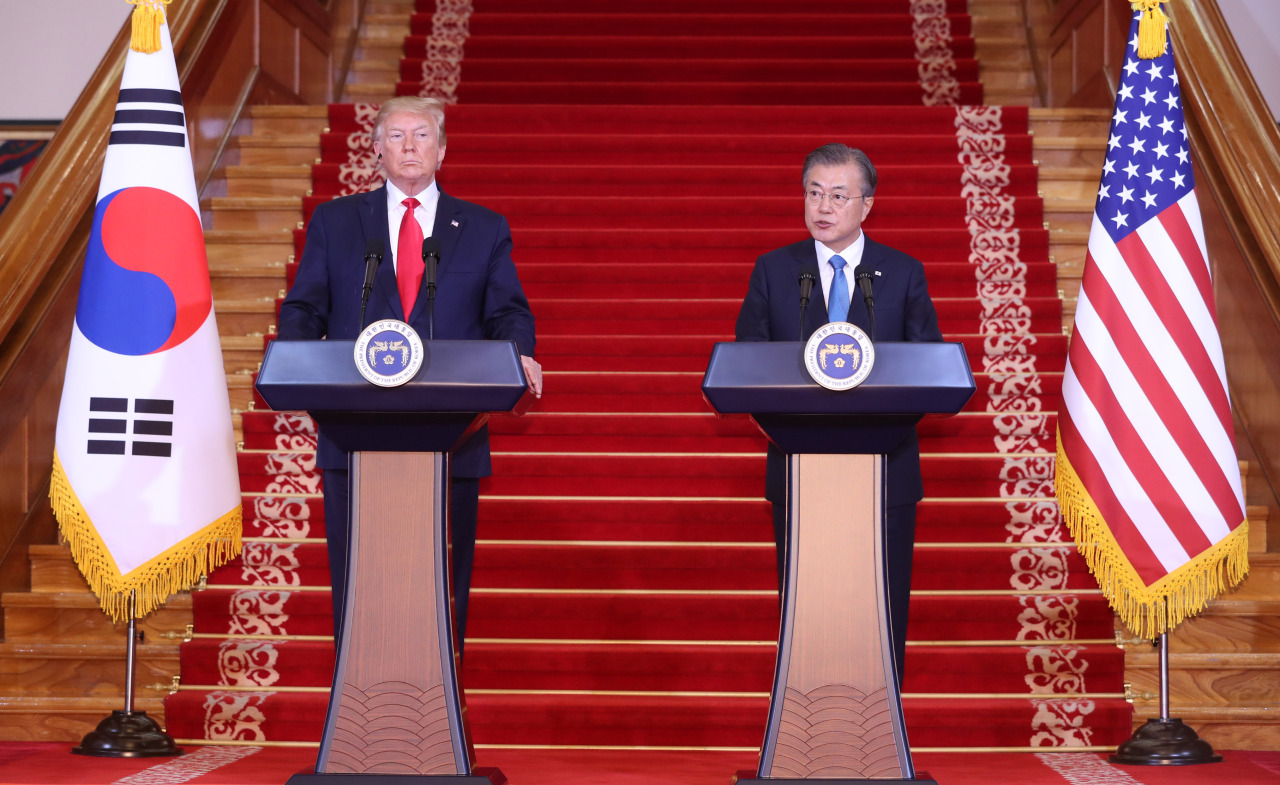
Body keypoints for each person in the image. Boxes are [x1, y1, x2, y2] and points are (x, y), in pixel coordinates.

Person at [277, 96, 541, 653]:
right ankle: (355, 703)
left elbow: (508, 311)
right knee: (357, 579)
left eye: (421, 136)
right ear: (376, 151)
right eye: (396, 136)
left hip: (453, 433)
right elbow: (304, 308)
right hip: (354, 434)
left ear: (441, 151)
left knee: (444, 584)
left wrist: (518, 352)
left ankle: (442, 704)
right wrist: (296, 361)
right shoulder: (337, 220)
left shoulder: (484, 227)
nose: (409, 147)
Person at [733, 143, 942, 684]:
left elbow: (930, 365)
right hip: (799, 466)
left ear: (867, 206)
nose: (822, 207)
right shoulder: (776, 271)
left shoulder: (902, 273)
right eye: (814, 193)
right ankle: (800, 736)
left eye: (839, 196)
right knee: (809, 607)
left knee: (881, 605)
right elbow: (747, 362)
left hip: (886, 469)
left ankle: (883, 737)